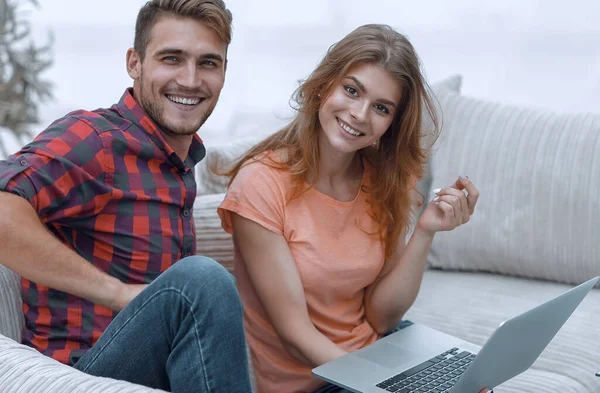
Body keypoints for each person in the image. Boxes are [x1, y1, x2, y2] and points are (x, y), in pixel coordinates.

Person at [219, 24, 486, 393]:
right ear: (324, 85)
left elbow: (381, 317)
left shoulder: (383, 180)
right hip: (313, 381)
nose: (360, 114)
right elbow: (295, 334)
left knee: (479, 384)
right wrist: (379, 385)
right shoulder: (261, 183)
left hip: (374, 358)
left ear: (392, 123)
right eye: (351, 90)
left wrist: (425, 231)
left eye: (381, 107)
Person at [0, 1, 252, 392]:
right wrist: (117, 293)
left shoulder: (179, 163)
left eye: (208, 63)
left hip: (157, 371)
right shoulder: (96, 139)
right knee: (199, 280)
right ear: (134, 63)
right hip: (83, 375)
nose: (190, 80)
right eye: (172, 58)